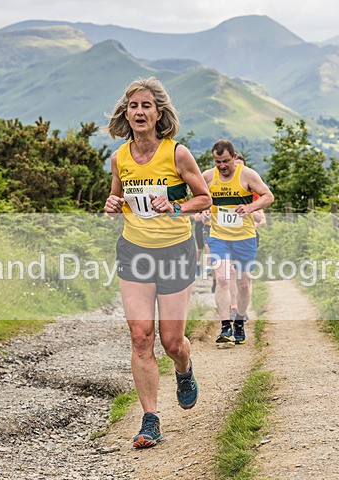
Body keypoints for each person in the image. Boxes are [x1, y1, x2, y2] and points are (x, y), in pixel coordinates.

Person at [103, 77, 212, 449]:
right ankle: (150, 420)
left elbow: (205, 198)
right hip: (134, 251)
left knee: (170, 341)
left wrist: (177, 206)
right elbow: (118, 198)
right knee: (140, 336)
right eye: (133, 106)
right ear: (126, 112)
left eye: (146, 106)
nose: (139, 112)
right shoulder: (120, 157)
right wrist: (112, 204)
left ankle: (184, 369)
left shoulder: (177, 153)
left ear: (159, 113)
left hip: (175, 252)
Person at [202, 140, 274, 346]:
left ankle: (240, 320)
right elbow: (199, 197)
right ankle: (225, 324)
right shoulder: (208, 177)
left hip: (244, 238)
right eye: (218, 162)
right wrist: (204, 209)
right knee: (223, 279)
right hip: (218, 237)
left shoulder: (247, 175)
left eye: (225, 161)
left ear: (234, 158)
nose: (222, 166)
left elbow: (269, 196)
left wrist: (250, 208)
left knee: (243, 284)